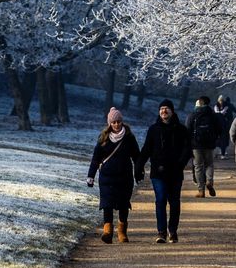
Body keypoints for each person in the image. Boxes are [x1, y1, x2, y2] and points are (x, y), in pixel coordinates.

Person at [136, 99, 192, 243]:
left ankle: (172, 230)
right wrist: (139, 166)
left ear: (172, 111)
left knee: (174, 202)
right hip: (158, 172)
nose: (164, 111)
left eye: (167, 108)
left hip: (175, 172)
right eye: (161, 109)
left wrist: (180, 164)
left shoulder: (181, 130)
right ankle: (161, 232)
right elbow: (146, 149)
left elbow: (187, 150)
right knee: (160, 200)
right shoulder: (154, 129)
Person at [86, 107, 141, 244]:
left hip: (124, 177)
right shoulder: (103, 138)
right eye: (113, 122)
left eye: (118, 121)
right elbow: (95, 158)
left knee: (123, 205)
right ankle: (108, 232)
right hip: (106, 178)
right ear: (109, 123)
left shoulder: (129, 138)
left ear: (122, 122)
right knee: (107, 205)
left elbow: (136, 157)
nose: (116, 124)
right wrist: (91, 176)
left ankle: (122, 232)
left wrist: (138, 171)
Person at [185, 95, 220, 198]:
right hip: (209, 144)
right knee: (209, 164)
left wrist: (188, 143)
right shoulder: (213, 115)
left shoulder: (192, 115)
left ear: (199, 103)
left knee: (198, 166)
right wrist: (215, 138)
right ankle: (209, 181)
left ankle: (201, 190)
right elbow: (219, 129)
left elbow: (187, 130)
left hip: (196, 145)